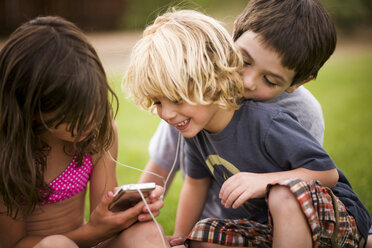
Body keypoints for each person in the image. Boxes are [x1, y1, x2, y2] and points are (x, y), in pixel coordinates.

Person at [125, 9, 371, 247]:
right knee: (201, 237)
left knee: (281, 193)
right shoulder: (193, 125)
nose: (248, 82)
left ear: (209, 77)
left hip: (329, 218)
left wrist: (263, 181)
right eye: (244, 61)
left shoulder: (269, 120)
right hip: (264, 226)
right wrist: (179, 239)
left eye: (270, 80)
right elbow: (193, 182)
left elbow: (326, 174)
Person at [0, 16, 169, 248]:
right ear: (31, 109)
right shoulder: (9, 151)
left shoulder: (97, 132)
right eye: (72, 116)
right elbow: (14, 243)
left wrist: (128, 215)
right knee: (56, 245)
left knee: (148, 233)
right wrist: (93, 231)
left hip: (88, 241)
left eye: (93, 107)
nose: (88, 123)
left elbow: (106, 223)